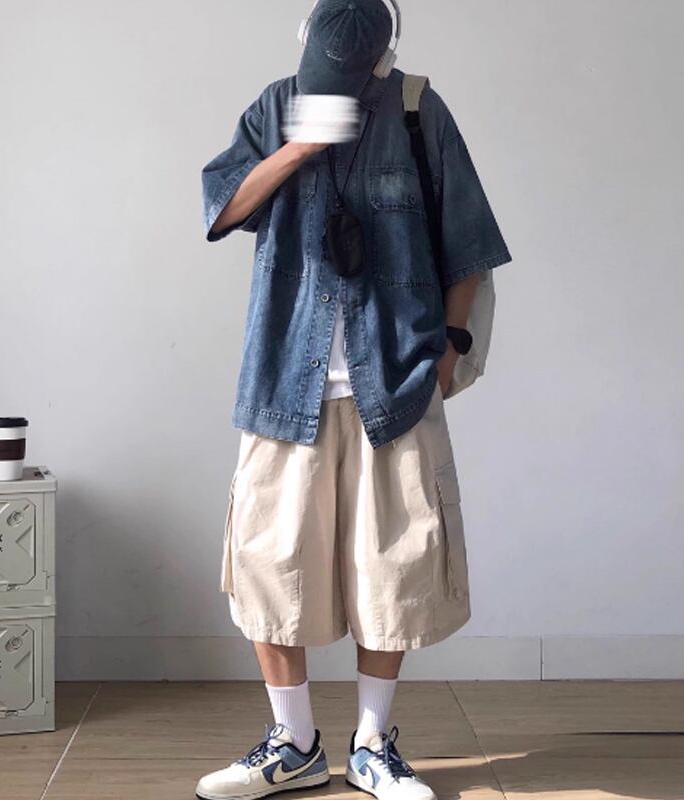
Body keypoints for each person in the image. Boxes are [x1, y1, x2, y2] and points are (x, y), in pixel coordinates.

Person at [196, 1, 512, 799]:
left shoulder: (416, 112)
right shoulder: (277, 104)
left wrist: (449, 351)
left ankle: (373, 744)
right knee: (269, 564)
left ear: (381, 59)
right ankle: (294, 741)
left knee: (393, 567)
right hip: (285, 379)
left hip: (394, 381)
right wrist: (301, 147)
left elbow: (468, 243)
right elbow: (222, 207)